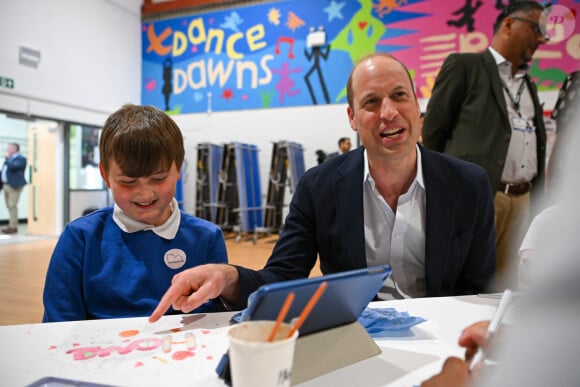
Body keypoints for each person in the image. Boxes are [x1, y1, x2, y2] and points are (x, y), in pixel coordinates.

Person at [149, 53, 496, 323]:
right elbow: (283, 274)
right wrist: (229, 276)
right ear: (352, 118)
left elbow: (477, 289)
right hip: (355, 334)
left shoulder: (468, 184)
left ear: (417, 105)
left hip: (443, 334)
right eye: (371, 102)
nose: (388, 112)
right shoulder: (319, 186)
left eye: (399, 95)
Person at [42, 104, 228, 322]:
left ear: (178, 169)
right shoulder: (80, 238)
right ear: (105, 174)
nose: (144, 193)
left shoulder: (207, 238)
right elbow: (58, 322)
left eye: (158, 179)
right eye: (128, 182)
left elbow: (219, 319)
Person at [422, 1, 548, 290]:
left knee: (506, 288)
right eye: (536, 28)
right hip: (478, 196)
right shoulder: (465, 66)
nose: (541, 38)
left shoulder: (527, 83)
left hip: (523, 199)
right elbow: (433, 132)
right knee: (467, 283)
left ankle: (495, 335)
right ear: (508, 24)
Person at [1, 142, 27, 234]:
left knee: (12, 205)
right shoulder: (9, 159)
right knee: (9, 206)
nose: (7, 149)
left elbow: (13, 167)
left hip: (14, 186)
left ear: (15, 149)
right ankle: (11, 224)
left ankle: (13, 226)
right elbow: (3, 171)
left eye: (9, 148)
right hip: (5, 185)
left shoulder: (21, 159)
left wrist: (7, 159)